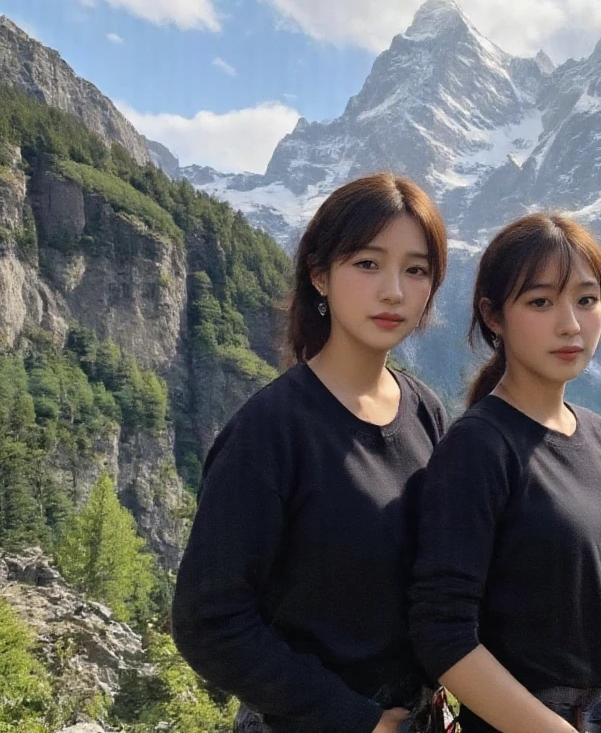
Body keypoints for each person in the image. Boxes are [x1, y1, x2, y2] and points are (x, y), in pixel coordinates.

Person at [171, 173, 451, 733]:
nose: (393, 290)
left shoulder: (426, 413)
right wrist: (349, 716)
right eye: (368, 264)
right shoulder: (271, 429)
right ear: (320, 275)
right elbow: (208, 619)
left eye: (415, 269)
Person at [408, 213, 601, 733]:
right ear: (493, 315)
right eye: (540, 302)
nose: (570, 323)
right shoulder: (478, 447)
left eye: (586, 299)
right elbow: (442, 631)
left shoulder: (599, 438)